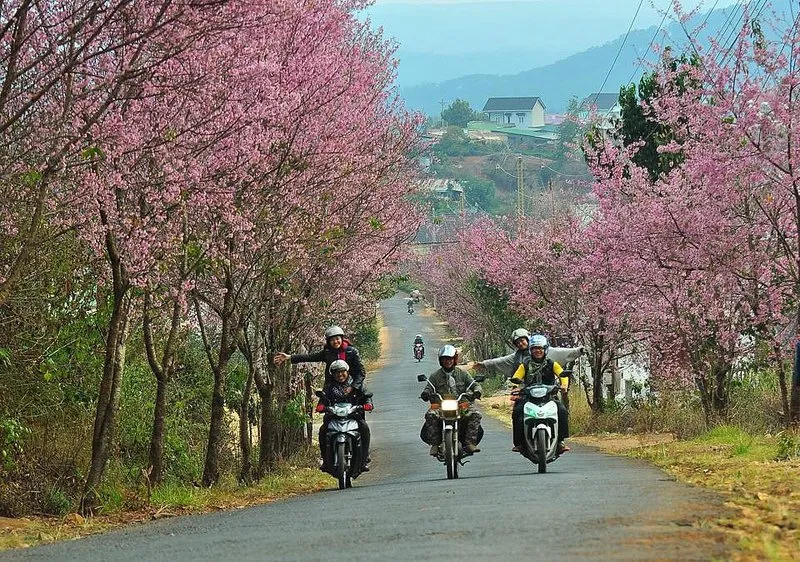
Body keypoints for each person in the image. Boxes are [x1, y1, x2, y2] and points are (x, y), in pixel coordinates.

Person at [509, 334, 570, 455]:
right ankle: (519, 443)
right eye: (535, 348)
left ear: (545, 349)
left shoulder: (552, 363)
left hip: (549, 397)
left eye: (540, 348)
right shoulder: (525, 364)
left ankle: (560, 442)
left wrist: (564, 386)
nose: (538, 351)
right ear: (531, 350)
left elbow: (562, 374)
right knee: (517, 412)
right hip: (528, 397)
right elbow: (517, 376)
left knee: (562, 411)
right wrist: (516, 387)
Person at [420, 345, 483, 456]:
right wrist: (426, 393)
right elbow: (429, 387)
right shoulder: (435, 376)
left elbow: (474, 384)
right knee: (430, 414)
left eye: (450, 359)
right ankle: (435, 445)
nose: (447, 361)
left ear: (454, 360)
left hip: (462, 406)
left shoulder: (463, 374)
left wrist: (477, 391)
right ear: (440, 360)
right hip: (441, 407)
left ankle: (470, 443)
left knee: (476, 414)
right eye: (445, 359)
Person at [318, 359, 373, 472]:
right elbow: (323, 399)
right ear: (332, 374)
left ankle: (364, 459)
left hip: (354, 416)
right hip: (333, 416)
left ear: (347, 371)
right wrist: (321, 406)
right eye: (336, 372)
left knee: (364, 428)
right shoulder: (329, 387)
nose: (340, 374)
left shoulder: (356, 384)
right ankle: (325, 460)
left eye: (342, 371)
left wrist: (367, 404)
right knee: (323, 430)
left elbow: (366, 395)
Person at [274, 325, 366, 387]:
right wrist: (289, 357)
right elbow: (310, 357)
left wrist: (354, 386)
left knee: (363, 396)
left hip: (351, 384)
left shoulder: (352, 351)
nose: (335, 342)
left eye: (337, 339)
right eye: (332, 340)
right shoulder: (327, 353)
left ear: (342, 339)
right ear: (329, 342)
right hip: (332, 386)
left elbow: (361, 372)